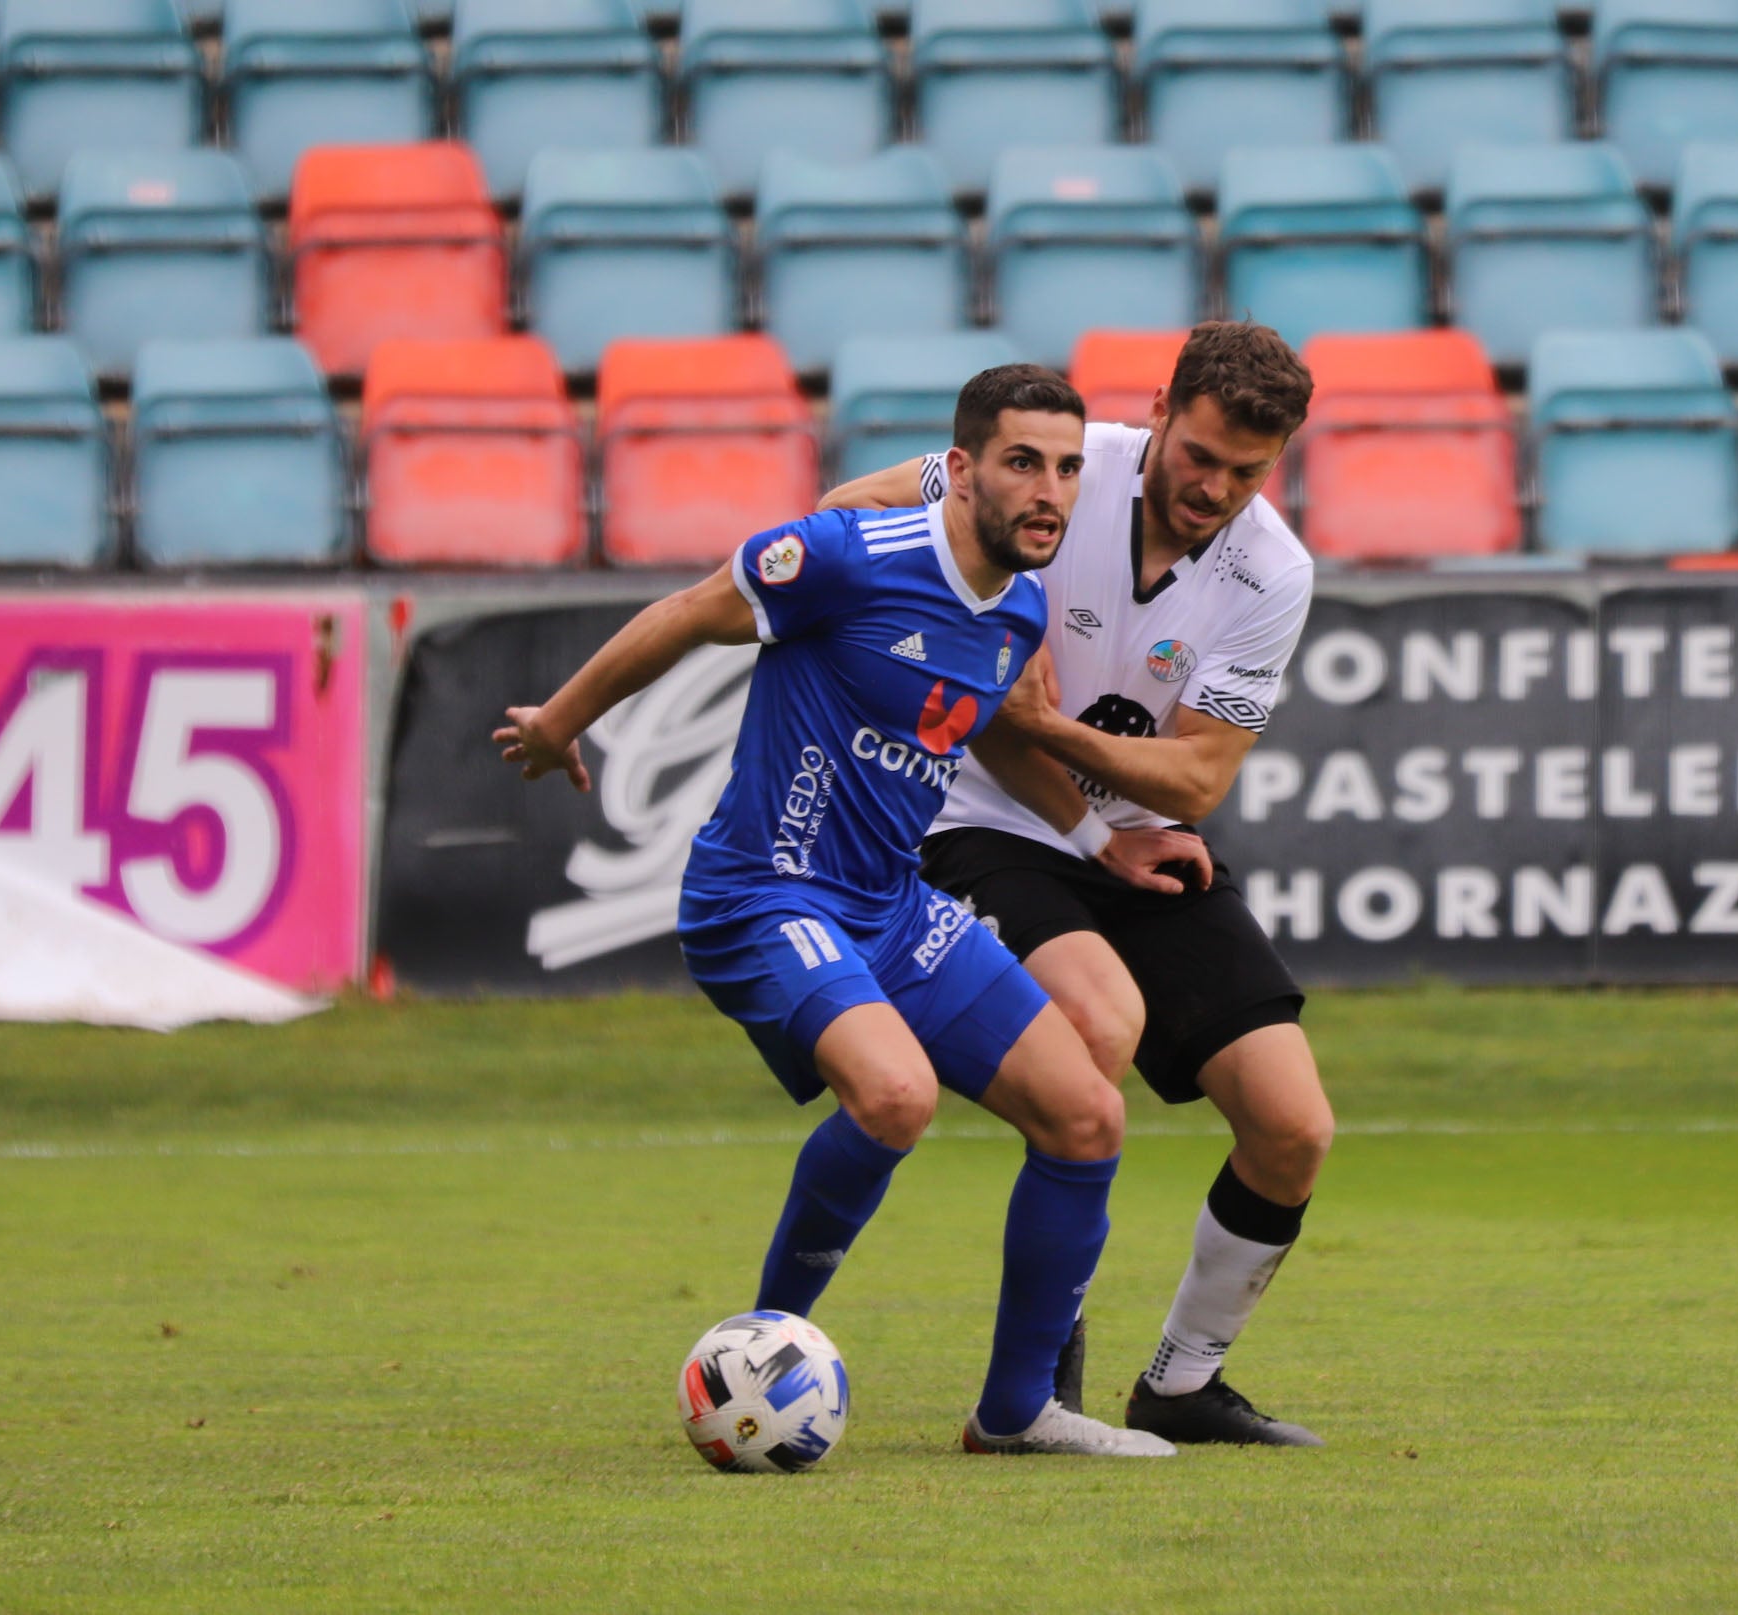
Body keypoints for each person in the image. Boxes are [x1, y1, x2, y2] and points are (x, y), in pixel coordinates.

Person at [496, 364, 1209, 1458]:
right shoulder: (841, 556)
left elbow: (989, 739)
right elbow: (689, 612)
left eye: (1068, 468)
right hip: (763, 890)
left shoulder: (1018, 610)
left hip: (889, 904)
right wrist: (559, 721)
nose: (1050, 491)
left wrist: (1099, 838)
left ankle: (1017, 1414)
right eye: (1023, 462)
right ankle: (757, 1348)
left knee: (1087, 1115)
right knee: (893, 1092)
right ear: (962, 470)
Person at [819, 321, 1334, 1448]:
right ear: (1158, 409)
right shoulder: (1058, 462)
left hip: (1139, 842)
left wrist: (1043, 721)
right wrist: (936, 627)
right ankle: (1033, 1392)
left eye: (1248, 470)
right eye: (1199, 454)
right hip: (984, 818)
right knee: (1096, 1021)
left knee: (1293, 1126)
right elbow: (851, 506)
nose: (1215, 487)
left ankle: (1182, 1385)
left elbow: (1196, 776)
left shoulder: (1274, 570)